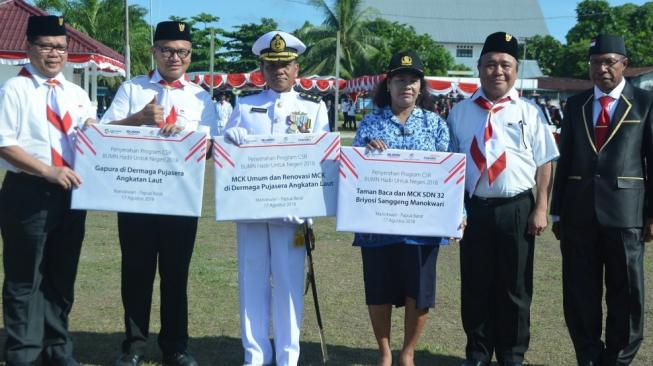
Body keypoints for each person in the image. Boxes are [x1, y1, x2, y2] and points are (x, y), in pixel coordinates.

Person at [100, 21, 218, 366]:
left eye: (182, 51)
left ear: (190, 55)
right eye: (166, 49)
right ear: (154, 51)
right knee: (135, 274)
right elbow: (102, 134)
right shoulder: (132, 89)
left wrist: (187, 137)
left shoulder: (200, 96)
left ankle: (176, 347)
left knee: (175, 276)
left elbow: (210, 147)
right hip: (135, 196)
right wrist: (137, 119)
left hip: (180, 200)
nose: (174, 57)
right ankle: (134, 346)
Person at [447, 32, 559, 366]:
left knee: (516, 287)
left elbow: (545, 162)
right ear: (479, 67)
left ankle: (512, 354)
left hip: (517, 210)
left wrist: (541, 207)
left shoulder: (530, 111)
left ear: (516, 68)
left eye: (506, 64)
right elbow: (450, 165)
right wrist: (455, 209)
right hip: (475, 209)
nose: (498, 70)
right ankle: (478, 352)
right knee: (476, 285)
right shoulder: (460, 112)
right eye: (491, 63)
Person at [222, 30, 329, 366]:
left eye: (286, 65)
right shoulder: (246, 105)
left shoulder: (313, 110)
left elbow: (322, 163)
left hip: (292, 217)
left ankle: (287, 356)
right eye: (271, 65)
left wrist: (309, 207)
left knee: (288, 285)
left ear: (297, 68)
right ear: (262, 69)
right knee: (251, 281)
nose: (279, 71)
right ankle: (255, 355)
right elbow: (226, 156)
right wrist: (228, 138)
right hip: (251, 213)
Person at [550, 34, 653, 366]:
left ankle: (618, 359)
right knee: (580, 293)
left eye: (609, 61)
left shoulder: (645, 103)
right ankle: (588, 355)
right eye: (596, 62)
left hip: (626, 214)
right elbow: (564, 160)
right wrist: (556, 212)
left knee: (627, 293)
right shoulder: (576, 104)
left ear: (625, 65)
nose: (602, 68)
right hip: (578, 214)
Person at [352, 50, 459, 366]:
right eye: (400, 79)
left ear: (421, 86)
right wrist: (366, 152)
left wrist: (458, 216)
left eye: (413, 80)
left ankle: (407, 352)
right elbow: (353, 171)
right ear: (388, 84)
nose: (406, 86)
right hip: (377, 224)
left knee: (419, 291)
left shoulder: (436, 125)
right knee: (379, 288)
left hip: (422, 225)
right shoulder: (370, 123)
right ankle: (384, 352)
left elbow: (451, 173)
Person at [0, 15, 96, 366]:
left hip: (72, 194)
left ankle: (57, 347)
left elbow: (92, 136)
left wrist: (95, 132)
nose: (53, 54)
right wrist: (47, 170)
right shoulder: (15, 89)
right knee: (25, 277)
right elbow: (4, 144)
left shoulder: (76, 93)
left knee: (61, 274)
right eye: (45, 46)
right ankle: (23, 352)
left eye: (59, 47)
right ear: (29, 48)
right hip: (29, 191)